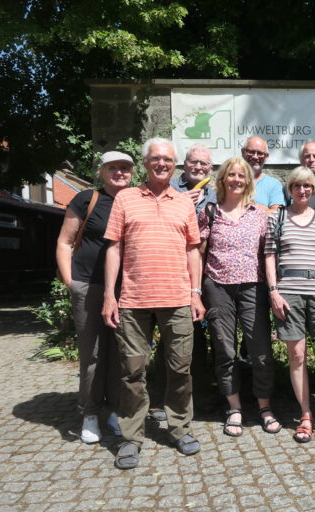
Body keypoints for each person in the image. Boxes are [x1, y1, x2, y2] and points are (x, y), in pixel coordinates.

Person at [102, 137, 204, 470]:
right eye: (156, 158)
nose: (162, 163)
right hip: (134, 300)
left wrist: (196, 292)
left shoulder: (184, 202)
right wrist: (109, 295)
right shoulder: (126, 199)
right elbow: (114, 248)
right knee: (132, 372)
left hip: (177, 299)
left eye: (168, 159)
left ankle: (179, 427)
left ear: (176, 165)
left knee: (179, 368)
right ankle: (131, 437)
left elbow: (193, 250)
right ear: (145, 163)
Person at [198, 157, 281, 438]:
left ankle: (264, 406)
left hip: (253, 287)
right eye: (230, 175)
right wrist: (195, 291)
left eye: (241, 176)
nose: (236, 180)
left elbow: (270, 254)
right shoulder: (209, 211)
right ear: (222, 180)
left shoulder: (260, 213)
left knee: (260, 352)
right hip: (218, 286)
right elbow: (198, 254)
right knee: (225, 350)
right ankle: (233, 408)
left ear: (248, 181)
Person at [55, 151, 133, 444]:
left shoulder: (136, 199)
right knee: (92, 353)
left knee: (119, 353)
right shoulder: (88, 199)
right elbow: (64, 242)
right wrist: (70, 282)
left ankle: (113, 409)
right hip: (89, 284)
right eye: (113, 167)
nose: (119, 173)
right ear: (102, 171)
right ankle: (89, 413)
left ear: (132, 172)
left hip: (126, 289)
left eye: (125, 168)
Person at [265, 167, 315, 444]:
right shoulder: (278, 216)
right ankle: (306, 414)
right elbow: (270, 255)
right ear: (291, 188)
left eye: (307, 186)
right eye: (297, 186)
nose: (302, 190)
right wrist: (274, 291)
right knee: (296, 356)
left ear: (313, 188)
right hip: (289, 294)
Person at [170, 143, 218, 413]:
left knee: (211, 332)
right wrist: (181, 203)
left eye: (204, 164)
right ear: (184, 164)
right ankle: (177, 395)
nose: (198, 167)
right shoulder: (172, 190)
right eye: (193, 162)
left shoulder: (216, 193)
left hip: (211, 273)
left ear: (210, 168)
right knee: (179, 336)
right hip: (177, 273)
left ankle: (205, 391)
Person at [242, 136, 284, 212]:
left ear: (266, 156)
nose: (255, 157)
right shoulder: (233, 181)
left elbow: (277, 214)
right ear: (243, 152)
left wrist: (251, 206)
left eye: (260, 153)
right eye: (251, 152)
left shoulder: (274, 184)